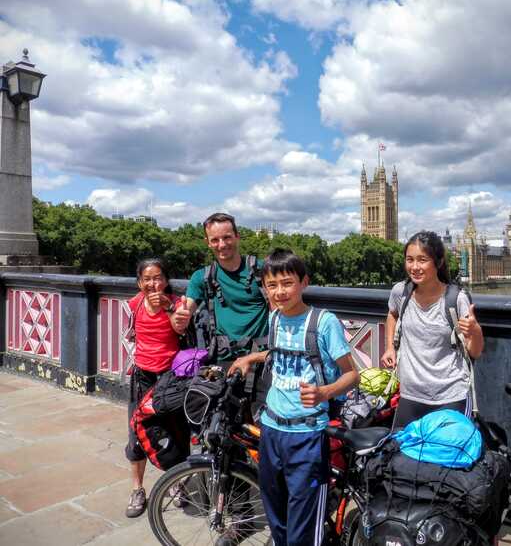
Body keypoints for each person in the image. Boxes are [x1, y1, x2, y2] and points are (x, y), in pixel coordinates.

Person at [231, 248, 358, 546]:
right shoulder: (275, 318)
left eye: (287, 283)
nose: (279, 292)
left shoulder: (323, 322)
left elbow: (353, 375)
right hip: (272, 431)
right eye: (271, 285)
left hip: (307, 436)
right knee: (276, 516)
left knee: (304, 524)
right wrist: (254, 357)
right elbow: (279, 354)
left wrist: (324, 392)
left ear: (303, 282)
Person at [381, 230, 484, 429]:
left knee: (444, 458)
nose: (414, 267)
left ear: (438, 262)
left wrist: (475, 331)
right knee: (399, 456)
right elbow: (392, 314)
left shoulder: (456, 299)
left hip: (450, 396)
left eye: (422, 260)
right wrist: (390, 347)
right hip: (410, 395)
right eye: (409, 260)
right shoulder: (400, 292)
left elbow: (475, 352)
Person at [125, 258, 186, 518]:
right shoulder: (134, 304)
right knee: (137, 434)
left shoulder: (178, 302)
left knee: (177, 433)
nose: (153, 284)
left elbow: (180, 328)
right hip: (142, 377)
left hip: (170, 380)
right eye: (147, 279)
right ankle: (138, 489)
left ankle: (177, 483)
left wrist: (170, 307)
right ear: (140, 282)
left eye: (158, 277)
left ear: (166, 279)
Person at [171, 212, 270, 370]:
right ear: (208, 243)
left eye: (227, 237)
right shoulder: (202, 277)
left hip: (259, 359)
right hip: (223, 360)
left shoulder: (261, 270)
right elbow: (184, 314)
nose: (222, 245)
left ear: (237, 236)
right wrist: (178, 319)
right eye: (215, 240)